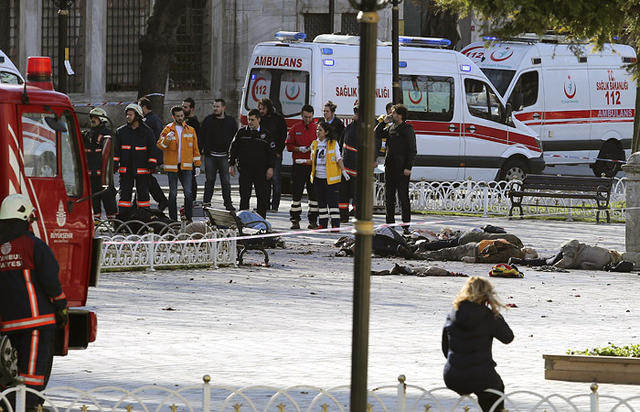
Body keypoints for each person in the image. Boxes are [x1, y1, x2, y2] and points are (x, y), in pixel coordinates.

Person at [0, 194, 68, 411]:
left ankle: (12, 405)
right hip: (37, 321)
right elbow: (50, 278)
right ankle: (29, 407)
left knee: (12, 372)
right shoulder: (33, 245)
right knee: (32, 374)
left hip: (9, 324)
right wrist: (61, 305)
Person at [442, 276, 513, 412]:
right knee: (495, 391)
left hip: (452, 375)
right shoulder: (488, 316)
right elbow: (508, 337)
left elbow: (445, 348)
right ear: (487, 295)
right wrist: (496, 313)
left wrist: (458, 364)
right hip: (482, 376)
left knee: (486, 386)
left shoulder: (453, 313)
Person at [157, 105, 202, 222]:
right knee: (173, 194)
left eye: (182, 115)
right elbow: (160, 145)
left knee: (188, 192)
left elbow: (195, 149)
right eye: (178, 116)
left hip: (186, 166)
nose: (180, 118)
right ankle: (173, 220)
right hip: (172, 167)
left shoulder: (190, 130)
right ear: (173, 116)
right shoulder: (167, 129)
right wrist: (167, 138)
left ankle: (188, 218)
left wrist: (197, 165)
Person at [228, 109, 276, 219]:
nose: (250, 122)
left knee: (262, 196)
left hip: (261, 170)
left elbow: (272, 153)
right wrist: (231, 164)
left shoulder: (266, 134)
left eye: (252, 120)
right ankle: (243, 220)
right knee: (244, 196)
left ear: (259, 119)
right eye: (249, 119)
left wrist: (270, 167)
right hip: (245, 169)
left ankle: (261, 221)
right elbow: (233, 149)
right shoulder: (241, 133)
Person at [114, 103, 157, 215]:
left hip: (142, 170)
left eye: (130, 115)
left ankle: (144, 218)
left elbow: (153, 149)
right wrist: (114, 164)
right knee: (124, 197)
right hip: (126, 170)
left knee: (143, 197)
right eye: (127, 115)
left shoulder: (147, 132)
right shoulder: (121, 132)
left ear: (137, 116)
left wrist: (152, 164)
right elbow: (116, 151)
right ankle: (123, 220)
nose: (128, 117)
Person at [200, 98, 238, 210]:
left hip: (225, 156)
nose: (215, 109)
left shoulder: (230, 121)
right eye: (214, 106)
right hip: (211, 156)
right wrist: (201, 152)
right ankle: (206, 202)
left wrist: (234, 157)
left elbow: (235, 139)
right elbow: (201, 137)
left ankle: (228, 204)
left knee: (225, 181)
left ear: (223, 107)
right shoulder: (208, 120)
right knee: (210, 180)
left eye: (217, 106)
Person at [384, 104, 416, 234]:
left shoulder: (407, 129)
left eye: (394, 113)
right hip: (390, 167)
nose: (392, 115)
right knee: (389, 196)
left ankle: (405, 225)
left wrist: (408, 167)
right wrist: (383, 122)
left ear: (400, 115)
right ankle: (389, 223)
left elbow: (412, 150)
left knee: (403, 196)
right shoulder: (390, 127)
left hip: (401, 167)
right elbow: (376, 133)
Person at [285, 104, 319, 230]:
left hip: (312, 166)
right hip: (298, 165)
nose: (307, 119)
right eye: (305, 117)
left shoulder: (316, 128)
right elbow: (289, 146)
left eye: (310, 117)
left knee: (314, 195)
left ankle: (313, 220)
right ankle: (295, 219)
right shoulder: (295, 128)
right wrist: (299, 148)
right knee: (296, 195)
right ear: (301, 115)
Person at [310, 121, 348, 229]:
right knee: (321, 203)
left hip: (331, 179)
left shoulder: (333, 143)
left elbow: (338, 158)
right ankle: (323, 223)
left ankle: (335, 224)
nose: (317, 132)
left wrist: (343, 171)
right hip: (318, 177)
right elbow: (312, 160)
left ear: (326, 132)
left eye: (320, 130)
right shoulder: (314, 144)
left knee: (333, 203)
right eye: (317, 129)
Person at [82, 107, 117, 220]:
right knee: (93, 198)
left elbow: (112, 153)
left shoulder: (109, 134)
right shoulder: (87, 134)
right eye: (91, 117)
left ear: (102, 119)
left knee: (108, 197)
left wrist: (112, 169)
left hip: (104, 173)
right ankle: (96, 221)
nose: (92, 120)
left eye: (95, 118)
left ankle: (112, 221)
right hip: (90, 173)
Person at [138, 96, 168, 212]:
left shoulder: (149, 121)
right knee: (147, 179)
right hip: (153, 155)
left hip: (151, 155)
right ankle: (161, 200)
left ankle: (161, 200)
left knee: (145, 178)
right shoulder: (154, 119)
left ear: (144, 107)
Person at [258, 98, 288, 212]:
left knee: (275, 179)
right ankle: (264, 204)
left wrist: (279, 151)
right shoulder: (260, 120)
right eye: (260, 109)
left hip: (275, 154)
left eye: (263, 108)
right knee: (264, 180)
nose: (261, 111)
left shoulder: (278, 119)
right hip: (263, 155)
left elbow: (283, 136)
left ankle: (275, 205)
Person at [339, 104, 360, 223]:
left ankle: (358, 217)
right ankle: (343, 216)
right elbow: (342, 144)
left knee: (357, 196)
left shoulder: (366, 129)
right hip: (346, 167)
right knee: (343, 195)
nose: (355, 115)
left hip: (357, 169)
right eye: (355, 112)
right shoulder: (349, 128)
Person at [183, 97, 201, 202]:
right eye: (183, 106)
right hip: (183, 156)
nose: (183, 109)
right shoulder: (183, 121)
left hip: (190, 156)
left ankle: (191, 201)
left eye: (185, 107)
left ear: (192, 109)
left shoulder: (194, 123)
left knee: (191, 180)